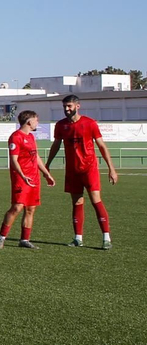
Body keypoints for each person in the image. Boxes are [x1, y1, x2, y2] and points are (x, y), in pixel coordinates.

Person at [46, 94, 119, 249]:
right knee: (77, 202)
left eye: (69, 106)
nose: (66, 109)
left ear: (77, 106)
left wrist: (111, 168)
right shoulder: (61, 125)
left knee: (96, 201)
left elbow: (102, 146)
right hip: (72, 170)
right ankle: (78, 238)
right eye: (64, 106)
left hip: (89, 169)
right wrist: (47, 164)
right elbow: (56, 145)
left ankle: (106, 238)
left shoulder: (89, 123)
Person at [0, 110, 55, 249]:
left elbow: (36, 158)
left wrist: (46, 174)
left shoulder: (31, 137)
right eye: (36, 120)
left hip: (34, 178)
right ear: (29, 121)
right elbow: (14, 160)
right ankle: (1, 237)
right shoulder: (16, 137)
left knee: (30, 209)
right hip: (21, 178)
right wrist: (23, 176)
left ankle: (24, 240)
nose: (37, 123)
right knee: (17, 207)